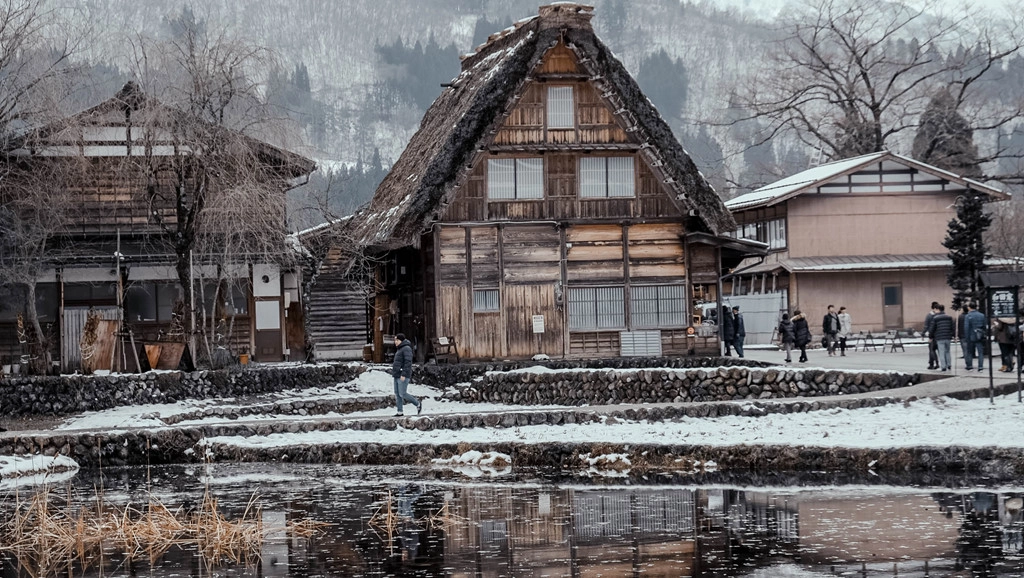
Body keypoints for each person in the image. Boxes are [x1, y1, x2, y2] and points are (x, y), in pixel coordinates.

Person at [391, 333, 422, 416]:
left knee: (402, 393)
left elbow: (408, 362)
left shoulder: (406, 348)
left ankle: (417, 403)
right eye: (395, 340)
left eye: (397, 340)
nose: (395, 342)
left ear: (401, 340)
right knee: (397, 393)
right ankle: (400, 411)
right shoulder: (400, 349)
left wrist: (404, 374)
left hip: (403, 374)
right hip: (397, 374)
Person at [928, 304, 954, 371]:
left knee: (941, 352)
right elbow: (952, 327)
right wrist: (953, 335)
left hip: (939, 337)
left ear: (938, 309)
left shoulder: (935, 318)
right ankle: (949, 365)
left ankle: (943, 366)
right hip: (948, 337)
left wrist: (930, 337)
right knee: (947, 351)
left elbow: (932, 329)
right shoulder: (949, 317)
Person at [963, 304, 987, 372]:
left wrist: (966, 337)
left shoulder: (968, 316)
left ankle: (970, 366)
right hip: (980, 335)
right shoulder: (981, 315)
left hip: (971, 335)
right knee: (980, 352)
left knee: (970, 352)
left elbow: (966, 327)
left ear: (969, 307)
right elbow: (984, 325)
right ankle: (980, 367)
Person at [924, 301, 940, 370]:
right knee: (938, 350)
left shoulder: (929, 316)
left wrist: (923, 333)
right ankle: (936, 363)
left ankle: (933, 364)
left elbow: (926, 326)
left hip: (932, 335)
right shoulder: (939, 315)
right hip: (939, 335)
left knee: (931, 350)